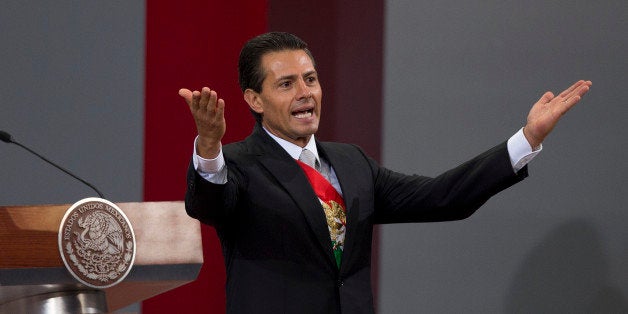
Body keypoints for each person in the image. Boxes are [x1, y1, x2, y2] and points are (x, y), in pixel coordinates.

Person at [179, 32, 591, 314]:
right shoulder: (238, 164)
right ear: (254, 99)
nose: (305, 93)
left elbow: (444, 197)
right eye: (287, 84)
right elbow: (210, 202)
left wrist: (526, 138)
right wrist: (211, 147)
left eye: (311, 79)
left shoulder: (352, 162)